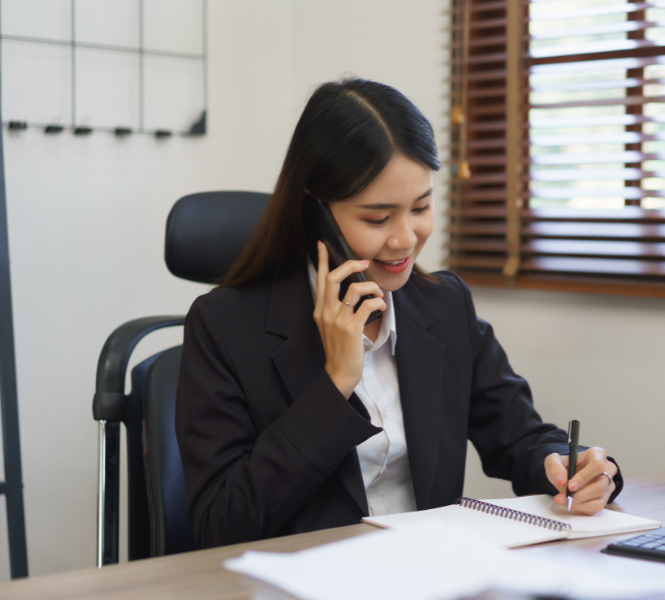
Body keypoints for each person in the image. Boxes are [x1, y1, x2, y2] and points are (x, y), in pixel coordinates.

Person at [175, 78, 623, 549]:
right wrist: (334, 384)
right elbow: (221, 523)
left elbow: (521, 438)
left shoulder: (444, 304)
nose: (406, 238)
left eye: (421, 207)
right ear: (316, 213)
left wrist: (570, 466)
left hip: (430, 576)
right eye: (377, 218)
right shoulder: (223, 327)